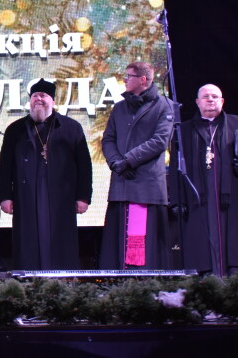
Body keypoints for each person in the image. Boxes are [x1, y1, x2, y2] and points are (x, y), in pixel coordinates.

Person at [0, 79, 93, 270]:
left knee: (60, 241)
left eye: (43, 95)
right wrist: (4, 196)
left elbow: (84, 165)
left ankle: (61, 281)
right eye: (34, 96)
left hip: (61, 196)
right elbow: (5, 166)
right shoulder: (15, 129)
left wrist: (83, 197)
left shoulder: (71, 128)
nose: (38, 99)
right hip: (26, 195)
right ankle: (29, 282)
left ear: (53, 101)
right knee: (28, 241)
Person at [100, 61, 173, 270]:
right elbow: (108, 139)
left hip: (146, 186)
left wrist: (129, 160)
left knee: (145, 249)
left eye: (129, 76)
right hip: (122, 183)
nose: (124, 80)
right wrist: (116, 162)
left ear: (142, 79)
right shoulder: (120, 107)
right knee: (118, 245)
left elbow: (160, 141)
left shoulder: (164, 106)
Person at [169, 84, 238, 276]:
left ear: (222, 101)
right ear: (197, 102)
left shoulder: (236, 124)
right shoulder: (183, 130)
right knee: (200, 243)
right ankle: (206, 278)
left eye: (215, 96)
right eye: (206, 97)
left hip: (231, 196)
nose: (210, 100)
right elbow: (175, 168)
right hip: (198, 197)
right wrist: (176, 200)